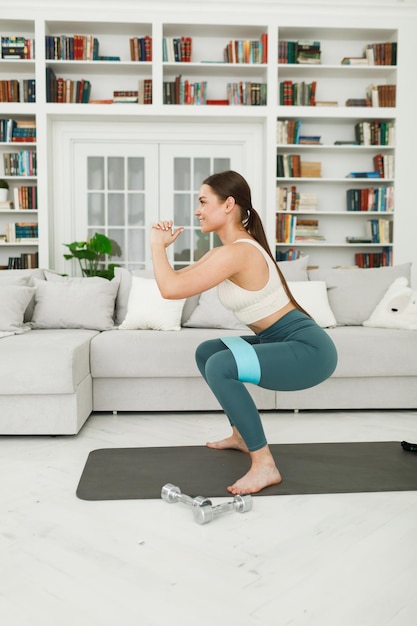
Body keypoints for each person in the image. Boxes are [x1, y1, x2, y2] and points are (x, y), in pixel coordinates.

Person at [151, 170, 337, 495]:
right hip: (280, 341)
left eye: (203, 201)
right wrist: (163, 250)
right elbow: (176, 280)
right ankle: (241, 435)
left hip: (309, 351)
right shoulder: (224, 252)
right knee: (208, 352)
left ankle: (265, 464)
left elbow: (170, 289)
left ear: (228, 205)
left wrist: (156, 245)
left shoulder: (238, 252)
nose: (197, 210)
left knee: (220, 365)